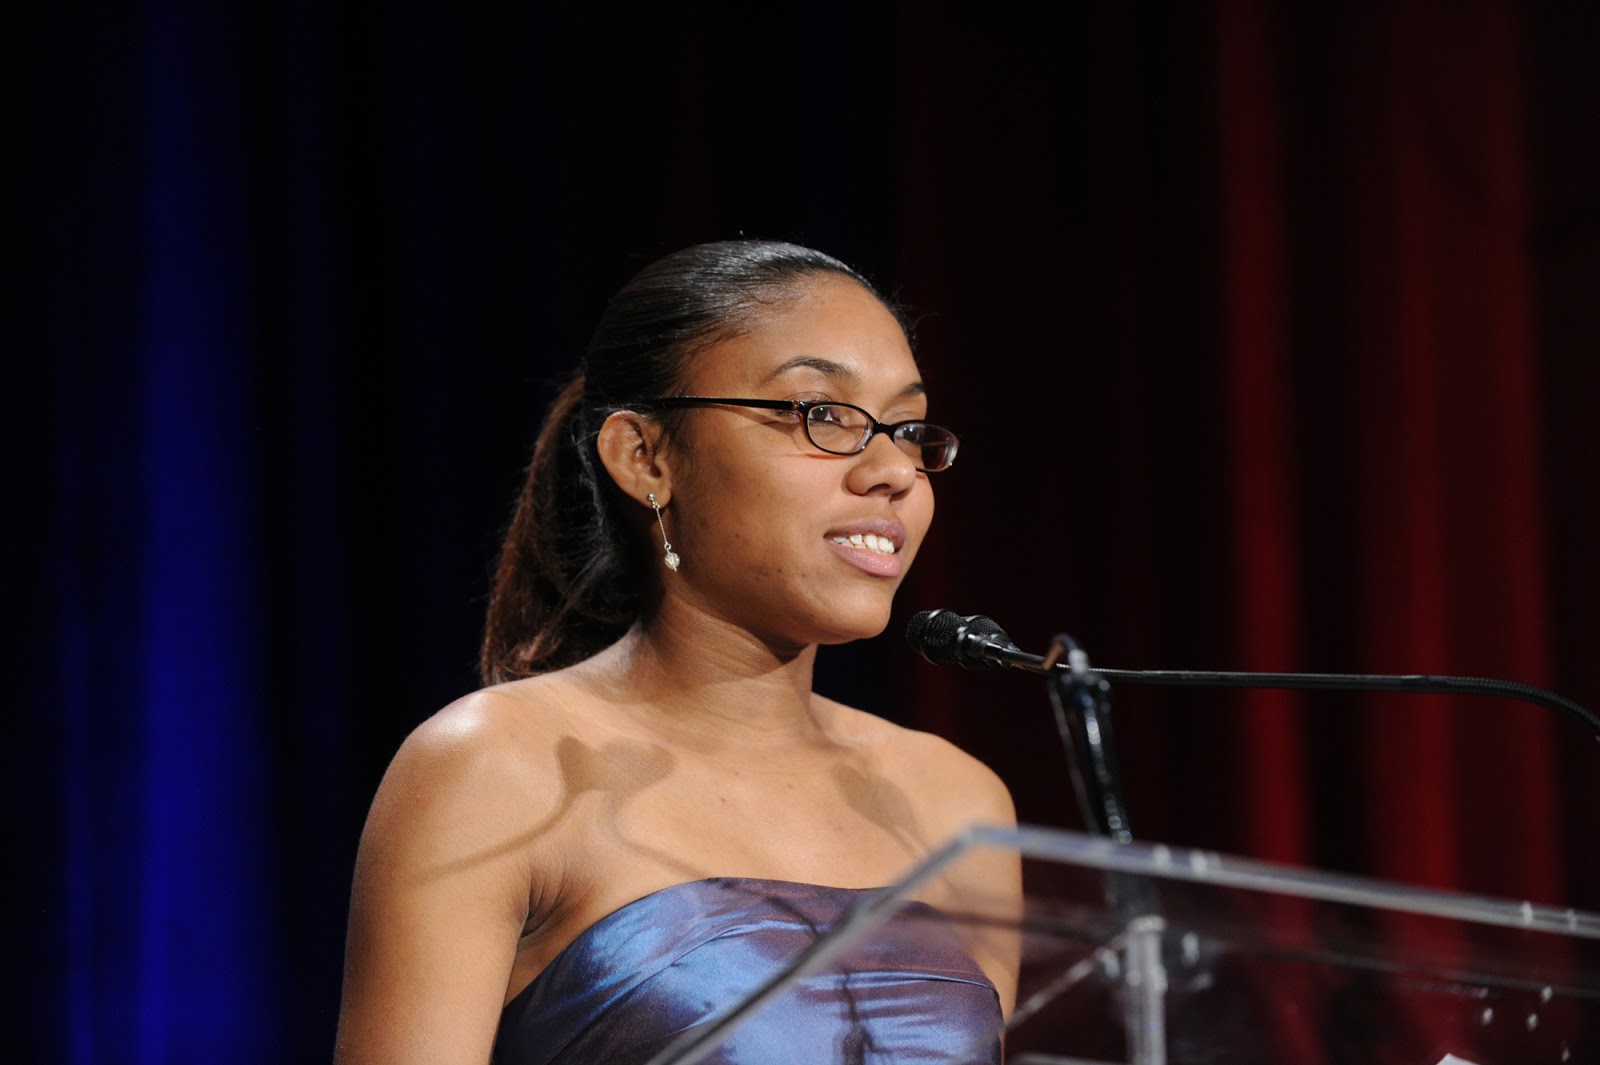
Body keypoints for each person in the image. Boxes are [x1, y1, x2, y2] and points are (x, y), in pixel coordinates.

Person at [334, 240, 1020, 1065]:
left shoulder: (955, 801)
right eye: (822, 413)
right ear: (646, 457)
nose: (893, 470)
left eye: (906, 428)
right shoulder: (499, 768)